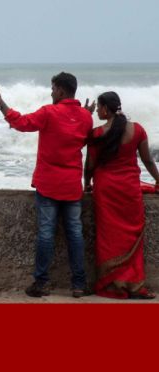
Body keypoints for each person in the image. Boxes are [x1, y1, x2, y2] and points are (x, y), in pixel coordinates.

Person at [0, 72, 94, 298]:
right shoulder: (86, 117)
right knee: (75, 234)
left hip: (49, 183)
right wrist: (85, 114)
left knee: (46, 234)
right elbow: (82, 139)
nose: (51, 93)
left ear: (60, 91)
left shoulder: (49, 112)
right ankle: (79, 285)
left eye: (53, 89)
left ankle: (41, 283)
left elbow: (22, 123)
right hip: (72, 185)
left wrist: (1, 104)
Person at [84, 91, 159, 299]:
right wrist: (158, 179)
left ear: (105, 109)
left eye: (99, 108)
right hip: (129, 189)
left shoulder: (97, 134)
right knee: (131, 237)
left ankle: (111, 284)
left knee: (109, 238)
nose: (97, 112)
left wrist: (87, 183)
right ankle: (134, 285)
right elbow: (148, 161)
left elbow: (89, 166)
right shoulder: (138, 130)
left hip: (106, 191)